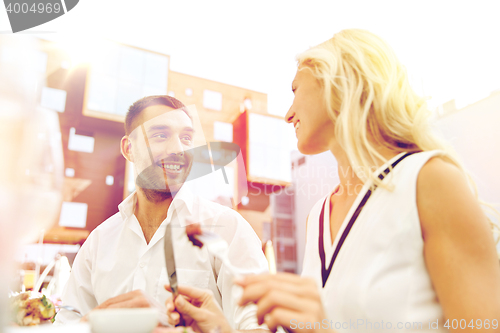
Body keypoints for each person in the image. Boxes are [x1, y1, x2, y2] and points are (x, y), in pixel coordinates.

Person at [165, 29, 500, 332]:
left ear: (337, 83)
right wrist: (222, 330)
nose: (288, 113)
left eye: (296, 90)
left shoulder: (429, 180)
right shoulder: (319, 215)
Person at [56, 95, 269, 331]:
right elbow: (67, 323)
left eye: (186, 138)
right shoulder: (98, 242)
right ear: (129, 148)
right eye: (160, 135)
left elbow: (260, 327)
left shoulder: (228, 229)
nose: (178, 149)